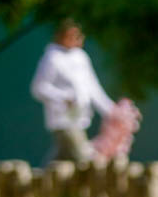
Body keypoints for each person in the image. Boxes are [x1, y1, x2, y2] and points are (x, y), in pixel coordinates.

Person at [30, 19, 119, 164]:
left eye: (78, 35)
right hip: (63, 120)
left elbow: (93, 88)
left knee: (62, 159)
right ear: (61, 36)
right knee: (83, 158)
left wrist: (111, 110)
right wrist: (64, 97)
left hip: (79, 118)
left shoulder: (81, 57)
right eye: (71, 35)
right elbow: (38, 88)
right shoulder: (52, 58)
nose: (77, 39)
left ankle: (41, 177)